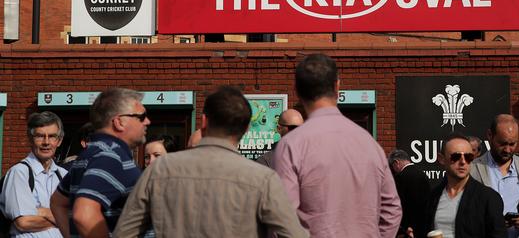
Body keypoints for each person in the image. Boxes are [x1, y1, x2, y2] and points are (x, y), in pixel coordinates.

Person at [113, 86, 307, 238]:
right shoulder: (262, 178)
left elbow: (125, 232)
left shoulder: (160, 170)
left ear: (204, 121)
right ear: (247, 128)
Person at [273, 53, 402, 237]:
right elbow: (392, 209)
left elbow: (283, 218)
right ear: (337, 86)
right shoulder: (369, 144)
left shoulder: (292, 145)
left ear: (297, 90)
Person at [50, 88, 151, 238]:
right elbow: (84, 214)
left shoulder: (92, 153)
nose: (148, 121)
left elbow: (58, 202)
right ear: (120, 122)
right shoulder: (110, 156)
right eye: (141, 117)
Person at [470, 114, 519, 238]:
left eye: (513, 144)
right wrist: (492, 223)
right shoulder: (472, 169)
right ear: (490, 135)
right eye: (502, 143)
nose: (507, 150)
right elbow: (464, 214)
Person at [425, 134, 506, 238]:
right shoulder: (432, 197)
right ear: (441, 159)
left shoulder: (488, 198)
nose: (463, 162)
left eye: (468, 157)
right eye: (456, 157)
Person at [0, 111, 67, 238]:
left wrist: (44, 212)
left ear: (59, 141)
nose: (46, 142)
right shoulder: (19, 173)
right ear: (30, 139)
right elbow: (23, 223)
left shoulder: (64, 176)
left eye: (52, 136)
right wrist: (61, 216)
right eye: (40, 136)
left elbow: (76, 218)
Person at [388, 149, 431, 238]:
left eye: (392, 166)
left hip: (407, 230)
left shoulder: (400, 177)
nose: (393, 170)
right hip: (424, 227)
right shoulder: (422, 175)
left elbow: (398, 206)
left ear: (396, 162)